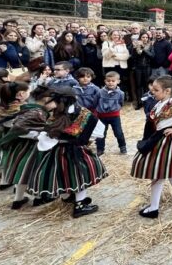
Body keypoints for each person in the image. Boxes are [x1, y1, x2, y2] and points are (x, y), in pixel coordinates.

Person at [28, 86, 107, 218]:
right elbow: (98, 129)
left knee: (70, 174)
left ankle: (71, 199)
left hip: (67, 150)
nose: (44, 105)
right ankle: (77, 203)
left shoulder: (77, 114)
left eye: (47, 101)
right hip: (66, 150)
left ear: (60, 100)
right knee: (76, 175)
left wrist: (83, 139)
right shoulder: (64, 112)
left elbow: (98, 129)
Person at [131, 76, 172, 218]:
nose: (152, 91)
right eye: (152, 89)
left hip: (167, 142)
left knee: (158, 173)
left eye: (156, 90)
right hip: (161, 139)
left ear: (167, 91)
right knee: (169, 168)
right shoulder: (160, 103)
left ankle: (154, 208)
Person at [95, 71, 127, 155]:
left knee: (118, 132)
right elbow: (95, 102)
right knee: (101, 133)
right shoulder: (100, 92)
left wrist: (116, 109)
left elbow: (121, 103)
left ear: (118, 81)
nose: (110, 83)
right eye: (108, 81)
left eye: (113, 81)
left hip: (114, 116)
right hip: (102, 116)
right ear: (105, 81)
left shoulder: (121, 93)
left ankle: (123, 147)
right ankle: (100, 149)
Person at [130, 31, 154, 110]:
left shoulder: (150, 45)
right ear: (140, 38)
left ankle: (147, 102)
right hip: (138, 68)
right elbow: (133, 57)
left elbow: (152, 56)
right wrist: (135, 48)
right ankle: (139, 102)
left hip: (147, 67)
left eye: (146, 37)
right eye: (143, 37)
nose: (145, 39)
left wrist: (144, 49)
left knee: (146, 85)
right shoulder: (136, 45)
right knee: (138, 85)